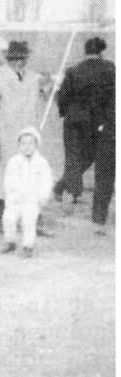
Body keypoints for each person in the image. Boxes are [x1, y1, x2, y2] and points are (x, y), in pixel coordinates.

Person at [0, 40, 46, 232]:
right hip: (3, 138)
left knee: (29, 181)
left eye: (22, 58)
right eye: (15, 58)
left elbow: (36, 109)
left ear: (26, 58)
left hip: (26, 140)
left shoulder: (33, 79)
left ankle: (31, 221)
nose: (19, 62)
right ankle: (0, 220)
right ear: (8, 58)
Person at [54, 36, 115, 233]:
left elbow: (62, 98)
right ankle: (98, 219)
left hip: (75, 123)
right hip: (102, 125)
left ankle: (65, 193)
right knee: (104, 170)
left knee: (74, 159)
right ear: (101, 52)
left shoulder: (73, 71)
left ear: (85, 52)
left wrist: (66, 113)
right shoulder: (110, 69)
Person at [1, 127, 53, 258]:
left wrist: (43, 195)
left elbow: (47, 181)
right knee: (8, 219)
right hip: (16, 198)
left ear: (37, 145)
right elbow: (8, 179)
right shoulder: (14, 162)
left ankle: (28, 246)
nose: (27, 147)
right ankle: (10, 241)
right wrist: (10, 194)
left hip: (32, 199)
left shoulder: (41, 163)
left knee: (29, 222)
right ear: (18, 145)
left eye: (30, 144)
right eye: (23, 144)